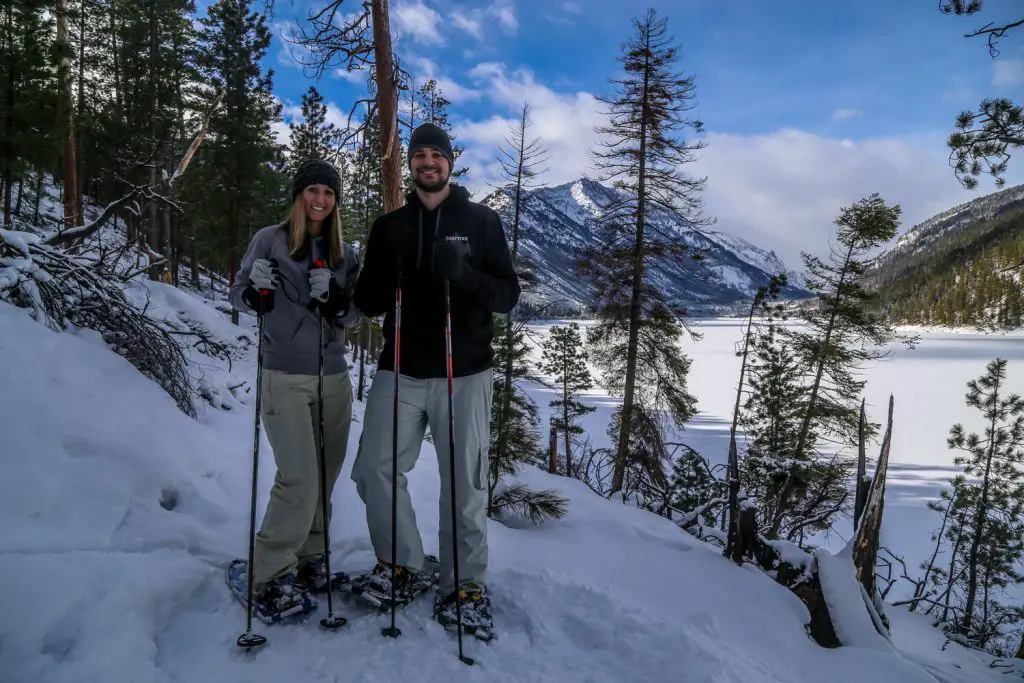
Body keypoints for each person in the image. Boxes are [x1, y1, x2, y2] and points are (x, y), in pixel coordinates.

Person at [350, 122, 520, 631]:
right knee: (373, 469)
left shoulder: (483, 222)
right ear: (410, 163)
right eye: (419, 154)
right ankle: (402, 563)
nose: (428, 162)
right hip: (400, 369)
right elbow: (369, 301)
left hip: (463, 372)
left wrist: (464, 274)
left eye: (436, 155)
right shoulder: (390, 227)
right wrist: (383, 274)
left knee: (463, 485)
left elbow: (508, 297)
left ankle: (464, 584)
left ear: (450, 162)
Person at [228, 159, 361, 614]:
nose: (321, 200)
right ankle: (270, 570)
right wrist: (255, 293)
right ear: (298, 195)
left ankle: (310, 558)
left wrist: (338, 301)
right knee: (299, 478)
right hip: (284, 374)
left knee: (323, 476)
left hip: (334, 377)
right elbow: (239, 292)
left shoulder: (346, 253)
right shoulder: (271, 240)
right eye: (313, 191)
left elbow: (356, 315)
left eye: (328, 192)